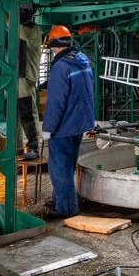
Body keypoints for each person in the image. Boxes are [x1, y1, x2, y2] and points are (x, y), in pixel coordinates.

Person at [41, 25, 95, 217]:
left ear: (55, 45)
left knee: (59, 170)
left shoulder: (61, 66)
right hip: (79, 123)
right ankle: (59, 202)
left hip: (63, 127)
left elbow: (56, 103)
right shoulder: (82, 60)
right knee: (66, 166)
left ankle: (67, 210)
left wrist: (48, 128)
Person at [16, 6, 43, 161]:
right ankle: (16, 147)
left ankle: (35, 147)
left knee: (27, 113)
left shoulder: (32, 30)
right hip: (16, 77)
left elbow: (16, 29)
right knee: (13, 115)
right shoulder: (23, 28)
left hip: (25, 77)